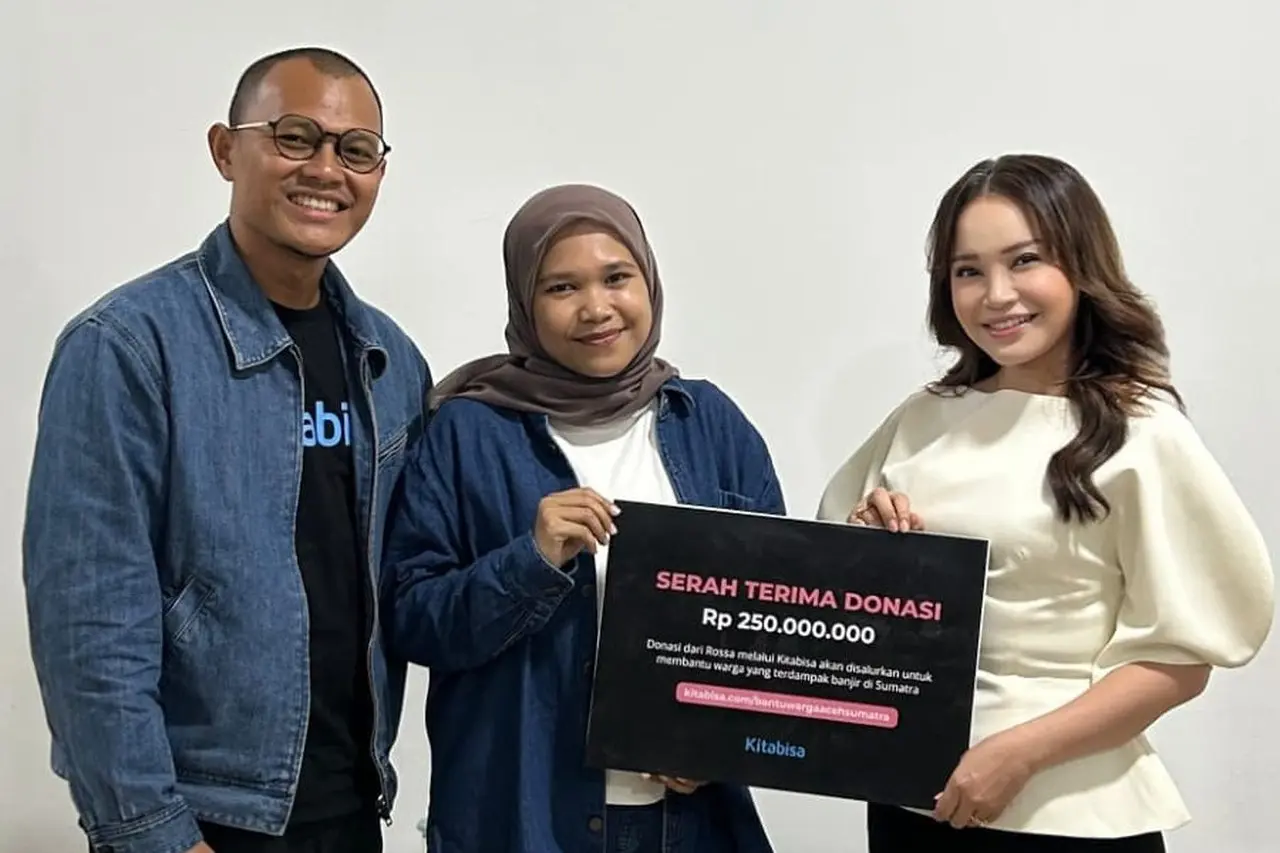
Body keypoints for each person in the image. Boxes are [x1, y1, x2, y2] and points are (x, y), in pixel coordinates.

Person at [22, 47, 431, 853]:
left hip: (350, 808)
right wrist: (153, 832)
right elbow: (88, 623)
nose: (326, 169)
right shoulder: (127, 346)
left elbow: (411, 586)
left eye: (355, 150)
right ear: (225, 149)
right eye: (294, 136)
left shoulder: (390, 362)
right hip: (203, 818)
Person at [816, 153, 1274, 852]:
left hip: (1064, 812)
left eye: (1024, 260)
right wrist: (867, 543)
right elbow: (832, 597)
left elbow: (1182, 660)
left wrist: (1019, 754)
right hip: (913, 798)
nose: (996, 295)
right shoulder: (922, 418)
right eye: (968, 270)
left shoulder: (1140, 431)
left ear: (1081, 264)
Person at [382, 183, 780, 852]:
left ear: (648, 281)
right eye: (562, 287)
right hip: (523, 819)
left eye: (616, 278)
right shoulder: (466, 433)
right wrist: (529, 560)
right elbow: (411, 621)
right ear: (524, 302)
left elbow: (772, 624)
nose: (596, 308)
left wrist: (718, 745)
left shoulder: (710, 424)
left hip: (688, 824)